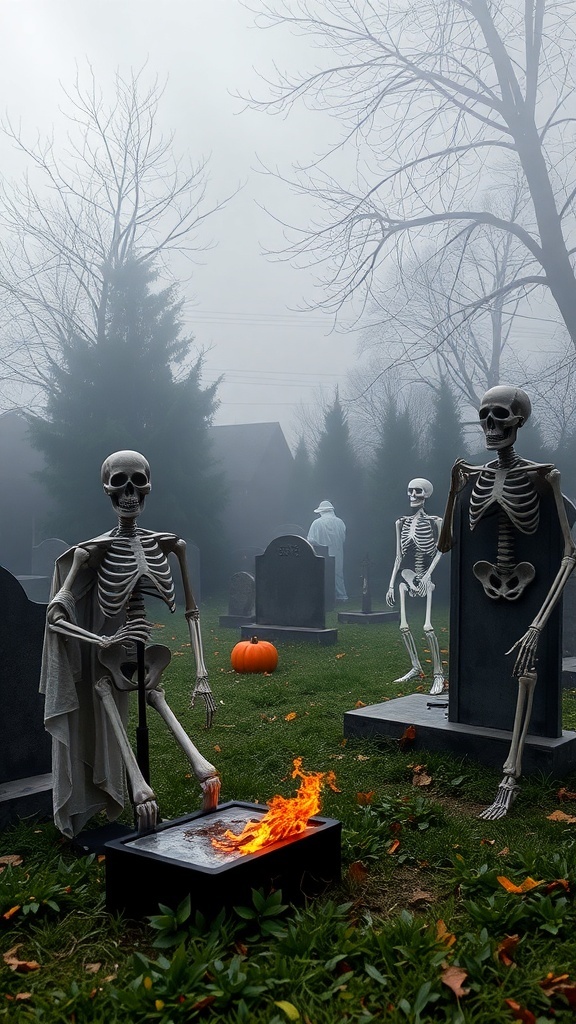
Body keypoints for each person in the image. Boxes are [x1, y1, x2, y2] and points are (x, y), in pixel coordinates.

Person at [307, 500, 348, 601]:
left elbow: (310, 540)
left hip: (321, 553)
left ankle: (324, 596)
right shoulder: (340, 522)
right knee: (338, 573)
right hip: (337, 552)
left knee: (322, 574)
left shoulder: (316, 523)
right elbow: (343, 538)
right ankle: (341, 595)